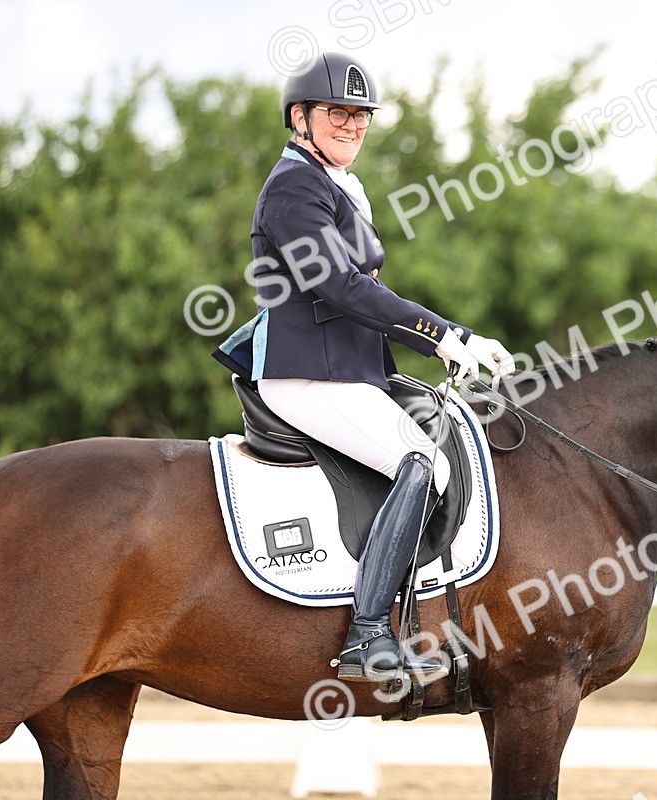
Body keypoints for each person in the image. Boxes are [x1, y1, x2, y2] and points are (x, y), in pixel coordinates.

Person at [214, 52, 514, 683]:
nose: (351, 125)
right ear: (300, 117)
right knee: (421, 459)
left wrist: (443, 340)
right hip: (307, 377)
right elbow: (341, 288)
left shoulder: (337, 183)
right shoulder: (294, 187)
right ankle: (368, 633)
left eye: (360, 116)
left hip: (348, 371)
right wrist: (444, 337)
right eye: (337, 113)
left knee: (445, 431)